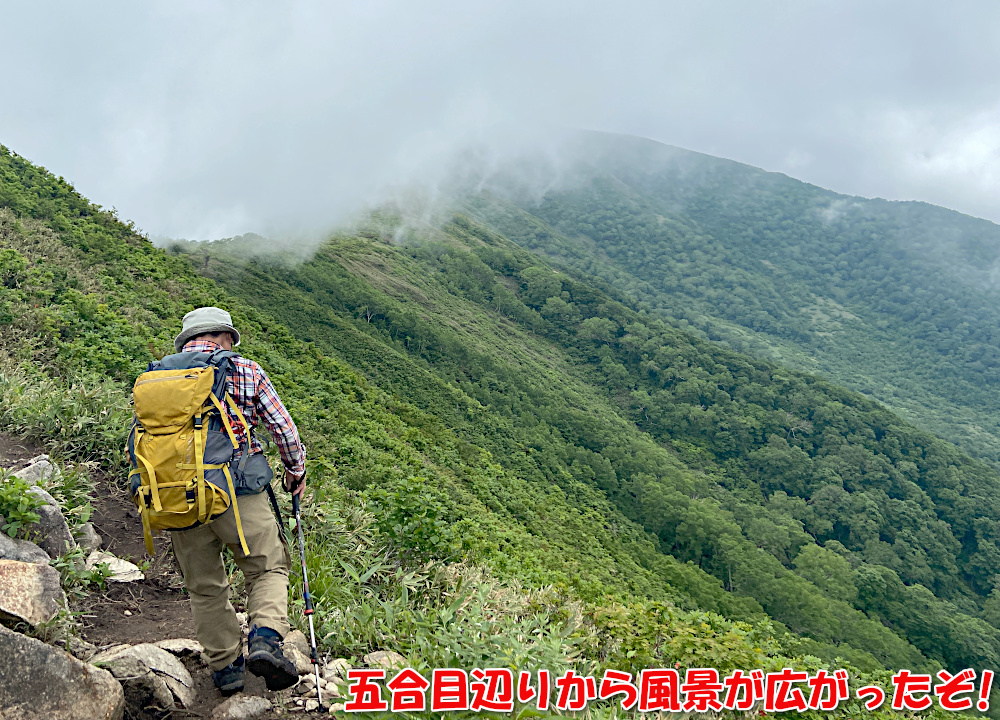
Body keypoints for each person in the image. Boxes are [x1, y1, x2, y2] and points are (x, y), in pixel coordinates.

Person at [167, 306, 307, 695]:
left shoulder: (156, 376)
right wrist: (295, 471)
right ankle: (264, 639)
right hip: (237, 493)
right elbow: (283, 429)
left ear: (188, 340)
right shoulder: (244, 370)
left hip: (178, 499)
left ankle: (226, 669)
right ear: (226, 337)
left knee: (205, 587)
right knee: (267, 569)